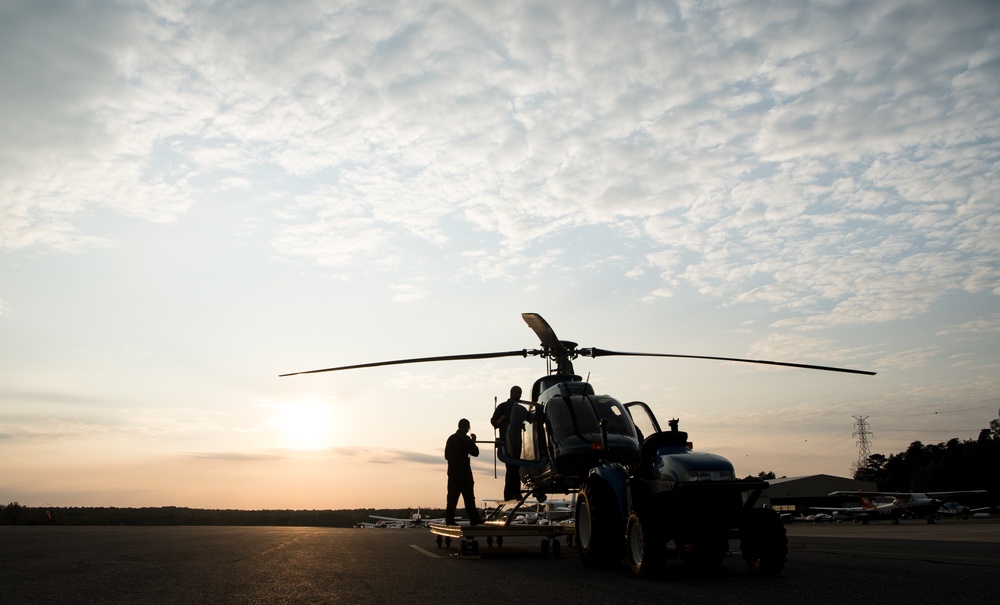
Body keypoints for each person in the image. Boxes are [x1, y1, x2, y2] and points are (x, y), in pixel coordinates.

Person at [444, 418, 483, 526]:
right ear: (466, 427)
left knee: (452, 497)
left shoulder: (451, 439)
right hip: (464, 473)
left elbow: (446, 456)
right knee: (469, 498)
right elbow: (475, 452)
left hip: (452, 472)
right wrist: (473, 442)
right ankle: (474, 519)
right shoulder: (465, 439)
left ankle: (449, 519)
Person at [491, 385, 523, 501]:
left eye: (521, 393)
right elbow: (493, 421)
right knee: (511, 467)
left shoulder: (519, 408)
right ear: (512, 393)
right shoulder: (503, 407)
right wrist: (500, 420)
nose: (520, 395)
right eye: (518, 393)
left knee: (514, 468)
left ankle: (509, 493)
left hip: (516, 441)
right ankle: (515, 492)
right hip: (506, 441)